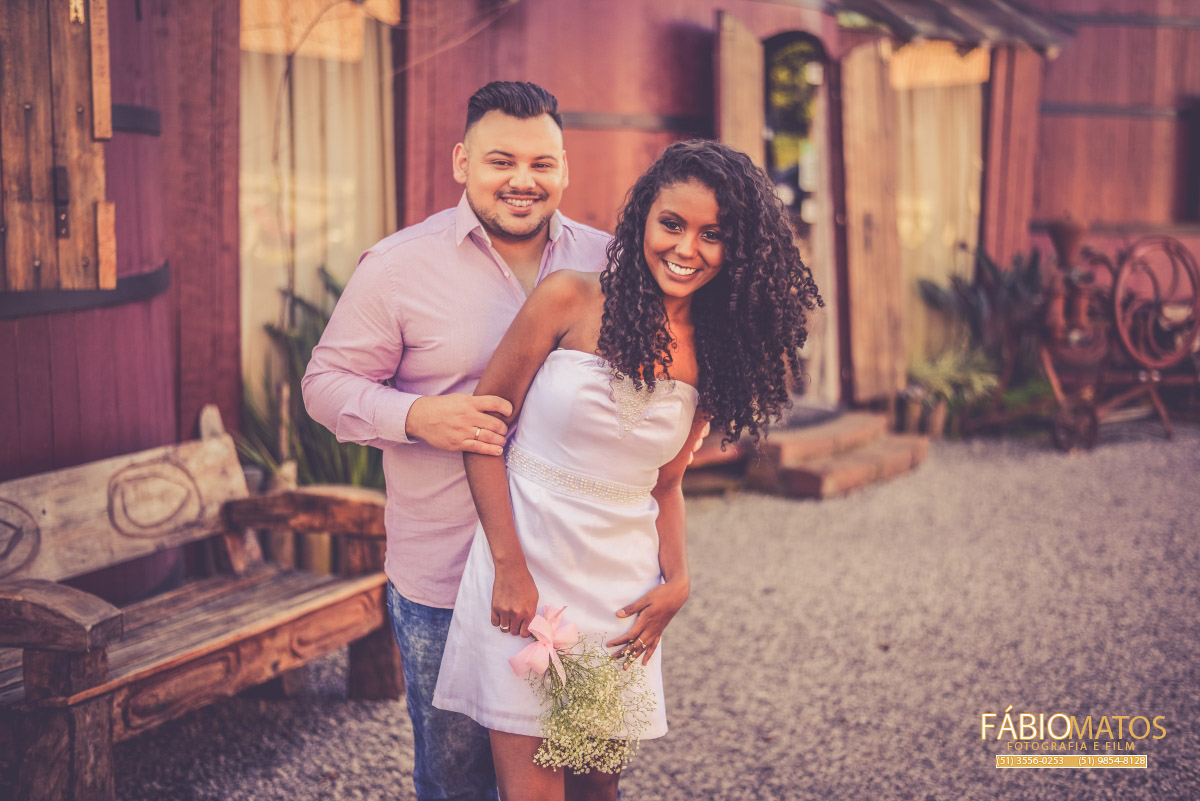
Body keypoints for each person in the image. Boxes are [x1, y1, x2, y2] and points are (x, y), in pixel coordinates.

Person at [432, 139, 823, 801]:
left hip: (619, 597)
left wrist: (679, 581)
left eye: (713, 234)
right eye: (672, 223)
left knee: (597, 790)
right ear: (644, 216)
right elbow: (481, 433)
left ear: (738, 249)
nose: (686, 247)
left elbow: (665, 484)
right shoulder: (570, 300)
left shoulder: (715, 353)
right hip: (526, 585)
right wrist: (509, 565)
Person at [302, 81, 614, 801]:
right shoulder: (398, 266)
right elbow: (324, 384)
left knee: (585, 771)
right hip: (445, 570)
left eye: (542, 164)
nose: (523, 181)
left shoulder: (611, 263)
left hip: (577, 570)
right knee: (457, 778)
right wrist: (418, 417)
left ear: (565, 168)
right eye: (501, 160)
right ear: (461, 162)